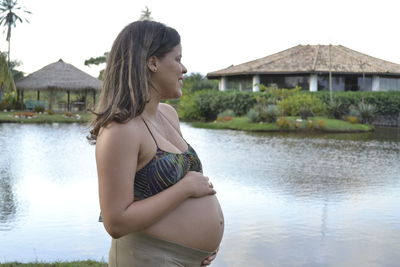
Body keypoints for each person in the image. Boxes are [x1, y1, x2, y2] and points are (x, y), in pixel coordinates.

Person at [88, 20, 224, 267]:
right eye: (178, 58)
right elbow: (116, 222)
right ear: (152, 63)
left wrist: (197, 248)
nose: (184, 68)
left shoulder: (168, 114)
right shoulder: (121, 130)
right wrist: (186, 188)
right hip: (147, 258)